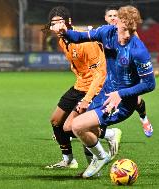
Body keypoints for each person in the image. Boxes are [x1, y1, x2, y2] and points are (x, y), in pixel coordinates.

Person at [50, 5, 156, 177]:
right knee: (69, 126)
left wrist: (120, 94)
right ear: (117, 23)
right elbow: (80, 36)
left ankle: (101, 157)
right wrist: (64, 31)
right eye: (124, 29)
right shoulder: (107, 32)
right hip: (104, 93)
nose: (127, 35)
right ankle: (104, 146)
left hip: (121, 102)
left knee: (78, 126)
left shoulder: (138, 50)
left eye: (131, 30)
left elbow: (150, 84)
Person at [43, 6, 122, 169]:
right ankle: (69, 160)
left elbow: (99, 74)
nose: (57, 26)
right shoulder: (61, 40)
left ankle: (109, 134)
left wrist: (87, 99)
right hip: (79, 85)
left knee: (71, 127)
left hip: (95, 88)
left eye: (60, 22)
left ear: (68, 22)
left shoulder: (85, 42)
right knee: (56, 121)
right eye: (53, 23)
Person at [104, 5, 153, 137]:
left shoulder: (127, 32)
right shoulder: (105, 32)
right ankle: (81, 127)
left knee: (135, 100)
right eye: (110, 16)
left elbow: (136, 46)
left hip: (127, 71)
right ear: (105, 18)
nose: (113, 18)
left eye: (115, 15)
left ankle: (144, 118)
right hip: (109, 73)